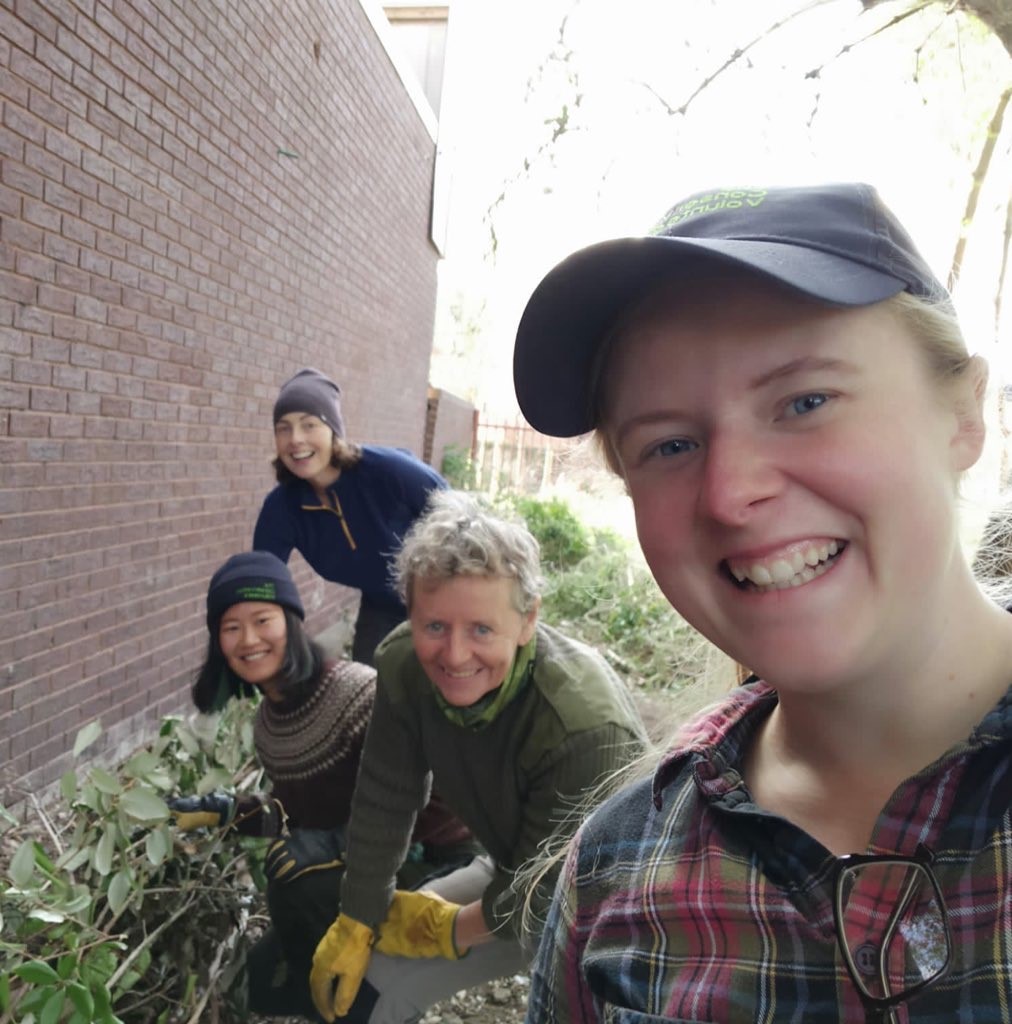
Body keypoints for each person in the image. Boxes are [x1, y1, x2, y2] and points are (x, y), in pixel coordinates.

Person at [511, 182, 1012, 1022]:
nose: (730, 492)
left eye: (805, 402)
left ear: (963, 414)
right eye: (669, 444)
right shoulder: (614, 882)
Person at [307, 490, 648, 1024]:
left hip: (609, 908)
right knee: (367, 986)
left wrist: (445, 928)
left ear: (528, 620)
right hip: (513, 862)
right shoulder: (403, 668)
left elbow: (551, 890)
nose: (455, 655)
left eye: (482, 629)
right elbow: (384, 796)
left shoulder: (580, 727)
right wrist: (358, 915)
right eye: (435, 626)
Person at [169, 551, 477, 1021]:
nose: (248, 639)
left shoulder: (358, 692)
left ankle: (375, 1001)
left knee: (294, 884)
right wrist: (225, 812)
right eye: (231, 627)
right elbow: (299, 813)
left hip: (430, 863)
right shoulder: (270, 725)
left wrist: (337, 845)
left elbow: (434, 797)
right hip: (360, 865)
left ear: (292, 622)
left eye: (262, 620)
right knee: (262, 980)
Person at [253, 368, 448, 666]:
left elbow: (461, 518)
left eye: (309, 425)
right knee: (368, 693)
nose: (295, 439)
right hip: (381, 606)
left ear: (333, 431)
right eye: (283, 428)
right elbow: (262, 580)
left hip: (443, 599)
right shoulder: (282, 508)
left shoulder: (387, 470)